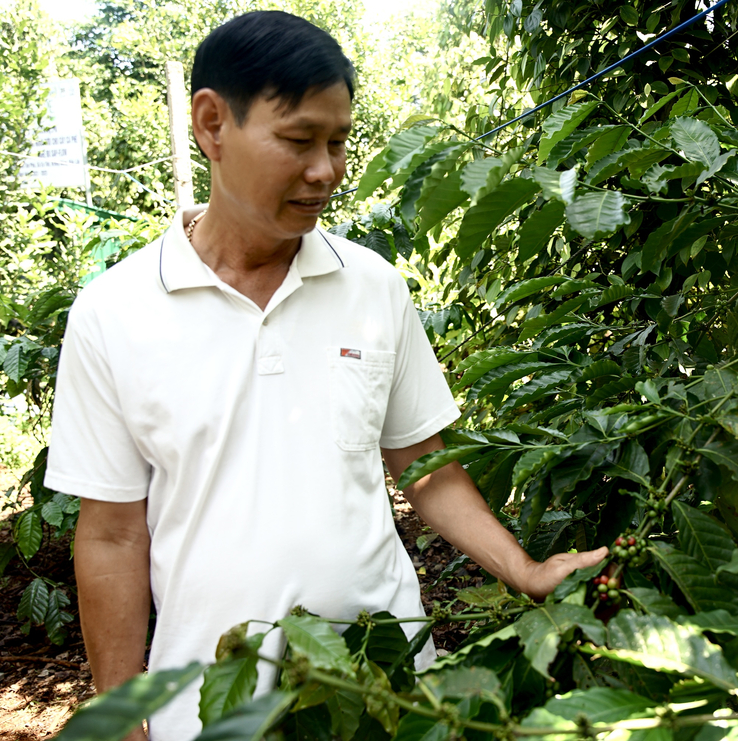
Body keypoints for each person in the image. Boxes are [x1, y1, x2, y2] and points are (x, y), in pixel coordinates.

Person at [44, 11, 606, 741]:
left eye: (339, 142)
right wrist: (120, 714)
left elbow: (424, 463)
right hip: (216, 709)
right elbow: (113, 535)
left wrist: (524, 570)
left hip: (392, 691)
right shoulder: (115, 312)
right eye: (299, 140)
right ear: (211, 124)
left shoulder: (372, 286)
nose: (326, 170)